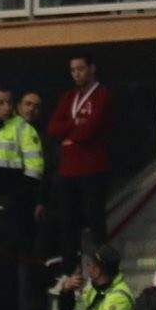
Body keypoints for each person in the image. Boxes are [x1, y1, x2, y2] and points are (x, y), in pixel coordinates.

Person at [48, 53, 110, 273]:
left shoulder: (102, 94)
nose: (76, 74)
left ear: (92, 68)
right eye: (73, 70)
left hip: (93, 168)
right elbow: (53, 127)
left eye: (80, 69)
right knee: (68, 226)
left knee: (95, 224)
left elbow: (90, 130)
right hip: (68, 170)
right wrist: (75, 126)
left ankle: (104, 271)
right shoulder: (68, 97)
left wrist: (70, 130)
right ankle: (69, 277)